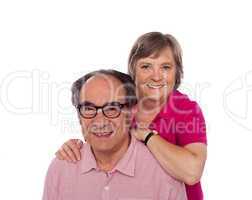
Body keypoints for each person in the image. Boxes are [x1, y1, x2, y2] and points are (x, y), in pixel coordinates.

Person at [56, 32, 207, 200]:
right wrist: (74, 147)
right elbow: (100, 141)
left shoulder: (187, 109)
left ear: (176, 72)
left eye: (165, 67)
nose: (156, 76)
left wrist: (146, 135)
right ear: (133, 70)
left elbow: (192, 172)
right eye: (146, 66)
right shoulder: (120, 102)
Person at [43, 70, 187, 200]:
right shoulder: (62, 168)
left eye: (112, 108)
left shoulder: (163, 173)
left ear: (132, 112)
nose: (100, 121)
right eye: (88, 108)